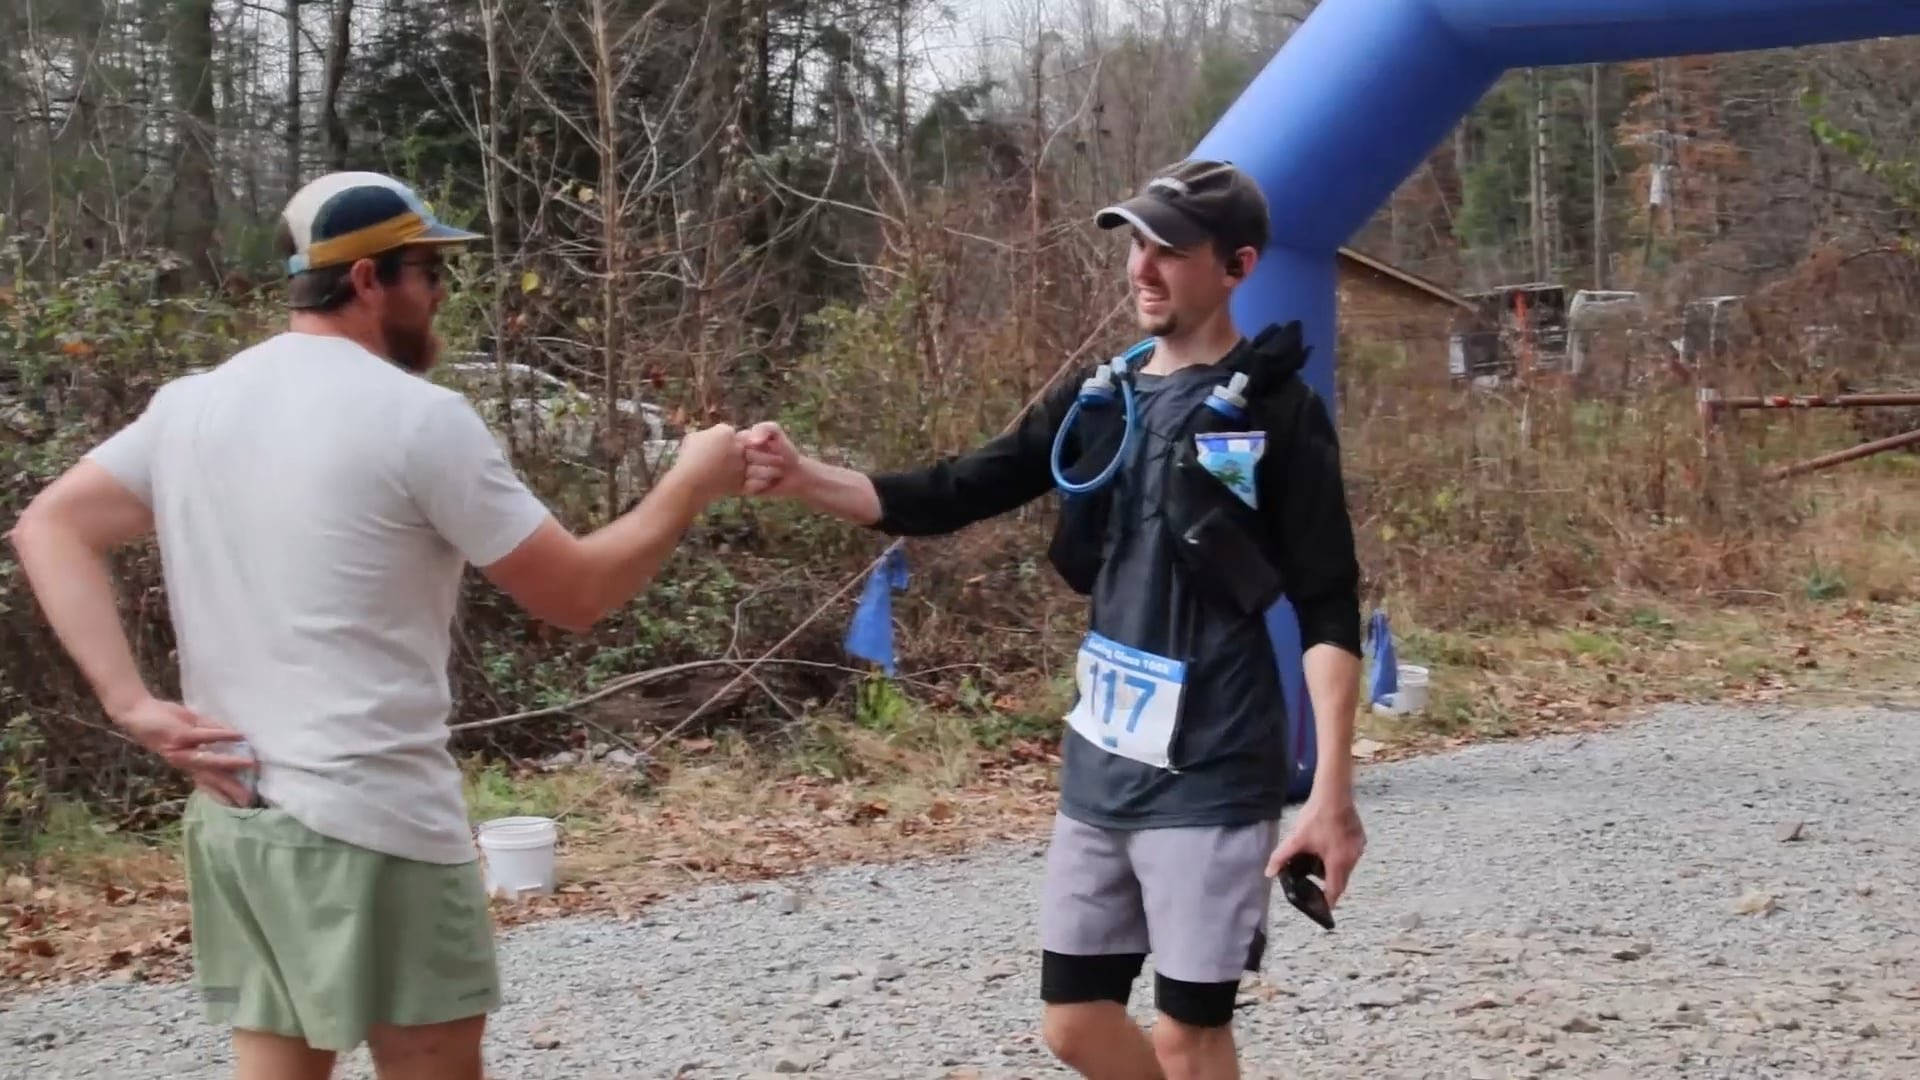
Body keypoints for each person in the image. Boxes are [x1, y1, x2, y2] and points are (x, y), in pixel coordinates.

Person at [7, 170, 745, 1080]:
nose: (440, 293)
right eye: (430, 270)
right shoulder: (418, 420)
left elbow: (50, 524)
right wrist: (689, 484)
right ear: (367, 281)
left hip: (239, 819)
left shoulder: (190, 406)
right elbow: (576, 594)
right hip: (375, 821)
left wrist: (130, 703)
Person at [737, 159, 1368, 1080]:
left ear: (1237, 265)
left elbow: (1328, 603)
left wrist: (1332, 795)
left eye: (1172, 252)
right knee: (1073, 1022)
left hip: (1216, 767)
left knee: (1191, 1037)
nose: (1143, 269)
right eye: (1137, 246)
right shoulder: (1098, 399)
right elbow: (958, 488)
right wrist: (804, 478)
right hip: (1102, 767)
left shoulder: (1278, 408)